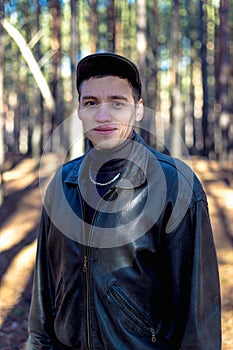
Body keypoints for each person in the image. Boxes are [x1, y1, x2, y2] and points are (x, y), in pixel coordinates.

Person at [28, 53, 221, 349]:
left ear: (138, 110)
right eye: (91, 103)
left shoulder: (174, 184)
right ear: (79, 110)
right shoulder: (61, 185)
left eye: (117, 102)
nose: (103, 116)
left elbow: (198, 314)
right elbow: (44, 296)